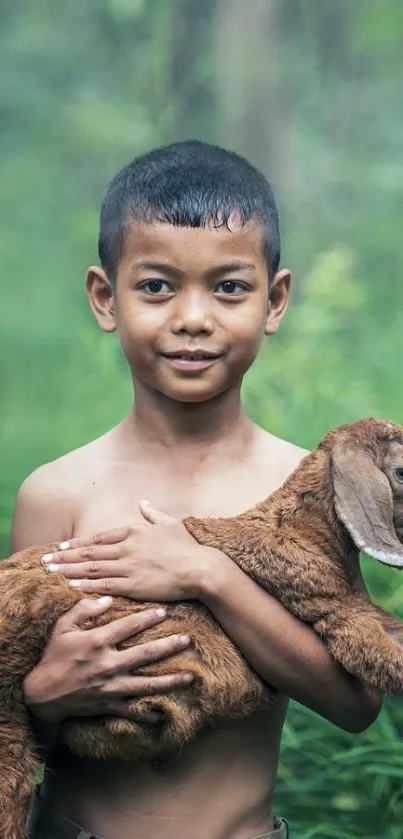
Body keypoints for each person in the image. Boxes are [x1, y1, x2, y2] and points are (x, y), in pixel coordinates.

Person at [11, 141, 382, 839]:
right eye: (155, 286)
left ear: (274, 301)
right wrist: (46, 695)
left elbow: (355, 701)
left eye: (228, 288)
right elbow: (18, 698)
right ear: (105, 297)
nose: (191, 317)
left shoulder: (304, 487)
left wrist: (207, 572)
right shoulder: (56, 491)